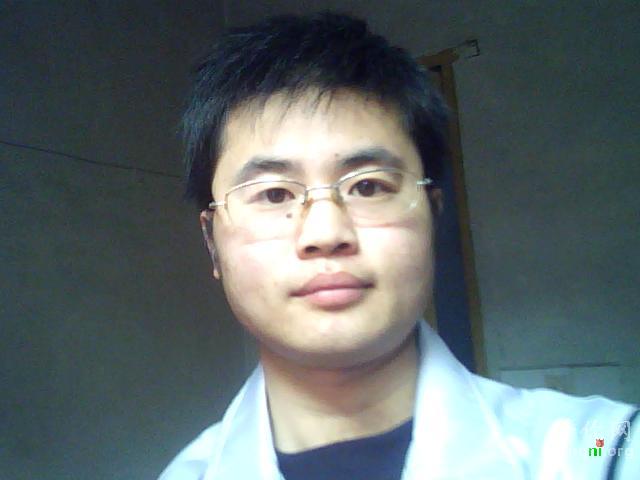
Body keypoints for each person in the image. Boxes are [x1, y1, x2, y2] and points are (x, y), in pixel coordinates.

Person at [159, 12, 638, 480]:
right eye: (274, 195)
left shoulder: (599, 447)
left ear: (432, 213)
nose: (326, 233)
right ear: (212, 242)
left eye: (367, 187)